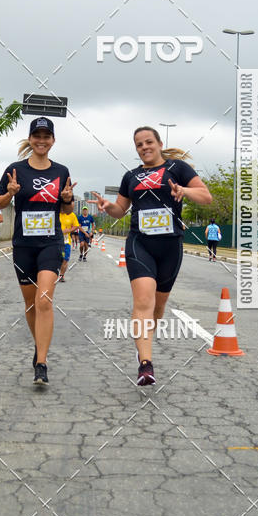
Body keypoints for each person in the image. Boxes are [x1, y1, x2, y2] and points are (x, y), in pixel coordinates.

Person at [94, 126, 212, 386]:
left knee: (158, 307)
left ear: (159, 143)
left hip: (170, 246)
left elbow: (206, 196)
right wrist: (108, 206)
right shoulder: (131, 176)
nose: (144, 147)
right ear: (136, 149)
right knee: (143, 300)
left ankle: (142, 343)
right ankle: (145, 364)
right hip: (140, 243)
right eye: (139, 145)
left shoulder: (177, 169)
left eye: (149, 142)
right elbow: (120, 210)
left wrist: (184, 191)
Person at [0, 117, 75, 385]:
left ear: (53, 140)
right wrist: (10, 193)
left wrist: (66, 200)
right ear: (30, 139)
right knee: (30, 304)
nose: (42, 140)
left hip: (51, 243)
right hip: (23, 245)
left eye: (46, 136)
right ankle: (39, 346)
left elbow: (67, 210)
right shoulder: (15, 170)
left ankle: (42, 361)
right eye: (37, 135)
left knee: (44, 301)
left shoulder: (61, 171)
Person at [59, 209, 80, 281]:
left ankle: (61, 275)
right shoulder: (54, 212)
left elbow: (76, 225)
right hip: (54, 240)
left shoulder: (71, 214)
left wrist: (68, 230)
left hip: (66, 241)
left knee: (65, 259)